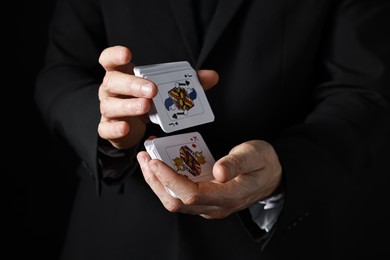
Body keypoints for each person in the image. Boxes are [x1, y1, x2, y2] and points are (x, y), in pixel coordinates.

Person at [34, 0, 390, 259]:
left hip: (273, 241)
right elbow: (60, 71)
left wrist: (285, 166)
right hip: (117, 235)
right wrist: (105, 120)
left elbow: (362, 91)